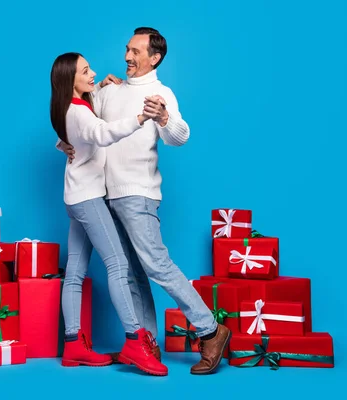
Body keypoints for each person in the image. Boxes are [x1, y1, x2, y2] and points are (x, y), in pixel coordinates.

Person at [57, 28, 231, 375]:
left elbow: (180, 136)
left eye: (136, 52)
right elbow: (84, 125)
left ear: (155, 58)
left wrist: (164, 118)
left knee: (155, 265)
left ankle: (210, 330)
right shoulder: (110, 91)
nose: (127, 57)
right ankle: (146, 343)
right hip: (104, 195)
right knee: (132, 273)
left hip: (138, 193)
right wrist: (63, 142)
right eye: (126, 50)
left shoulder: (160, 93)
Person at [50, 52, 169, 376]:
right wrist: (140, 119)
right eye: (86, 72)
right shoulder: (80, 113)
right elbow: (101, 133)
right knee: (118, 265)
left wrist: (99, 86)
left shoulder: (69, 106)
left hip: (74, 196)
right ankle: (134, 340)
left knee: (75, 272)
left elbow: (70, 134)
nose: (94, 74)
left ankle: (72, 344)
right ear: (70, 80)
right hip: (89, 199)